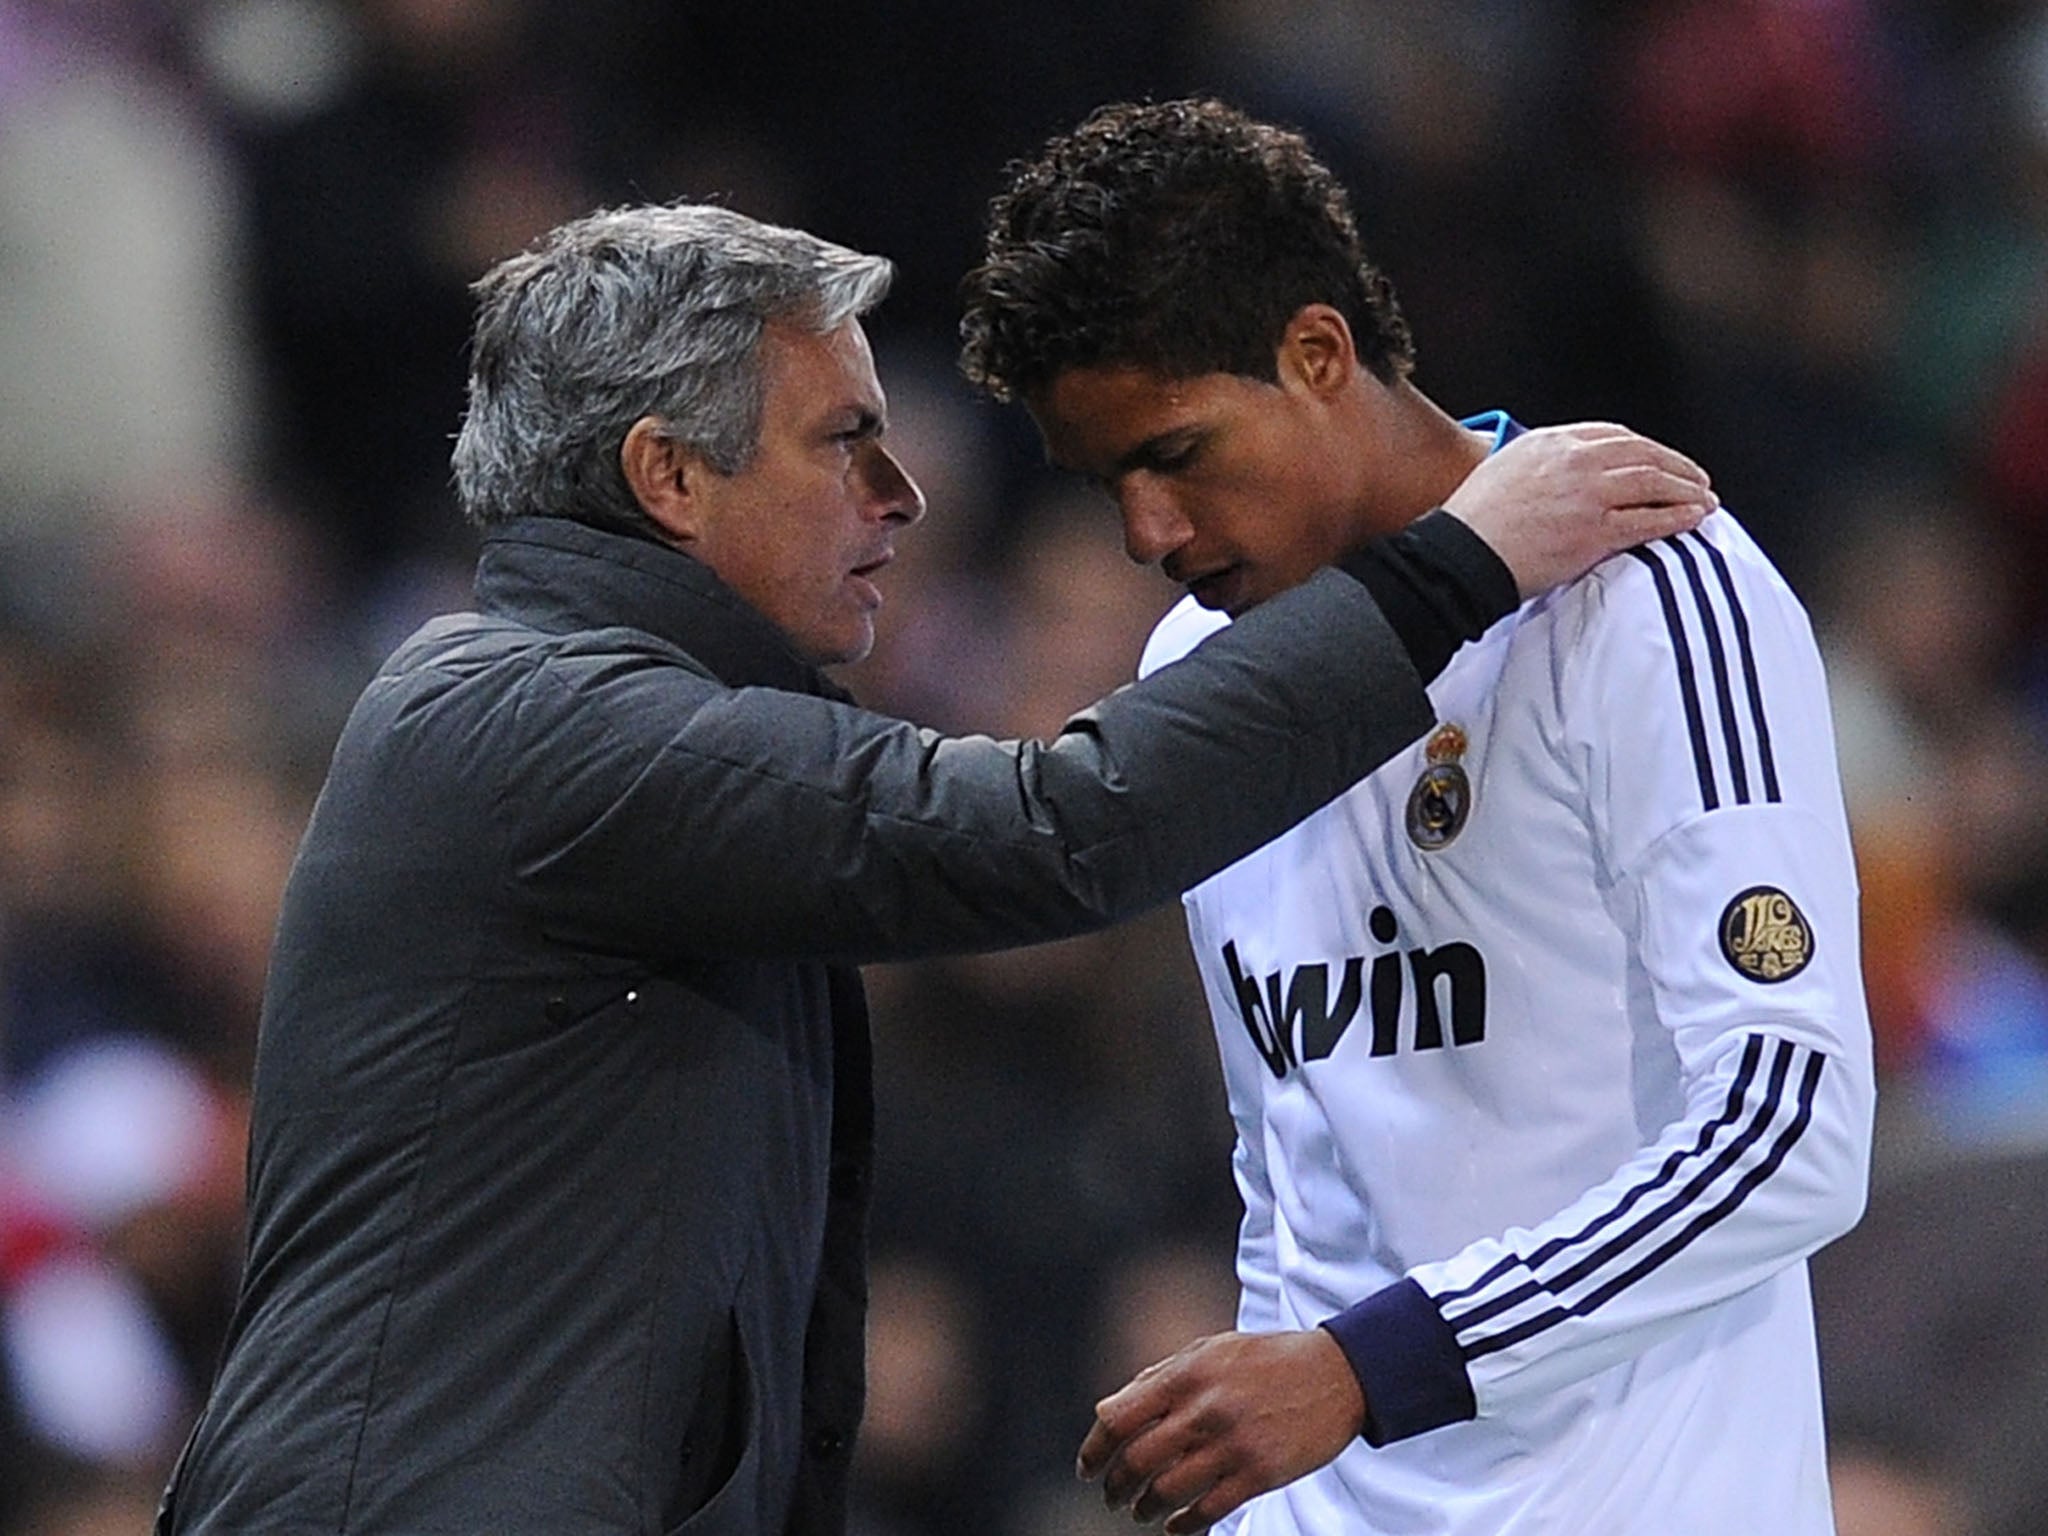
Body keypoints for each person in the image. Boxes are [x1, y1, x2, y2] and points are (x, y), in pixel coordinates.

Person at [152, 202, 1710, 1536]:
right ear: (667, 477)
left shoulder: (616, 733)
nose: (903, 496)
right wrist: (1455, 565)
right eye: (843, 442)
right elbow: (1049, 828)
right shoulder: (528, 719)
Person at [959, 99, 1873, 1536]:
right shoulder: (1195, 674)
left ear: (1319, 355)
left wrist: (1372, 1367)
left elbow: (1789, 1124)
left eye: (1178, 453)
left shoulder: (1648, 596)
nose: (1146, 534)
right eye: (1106, 482)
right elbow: (1297, 1170)